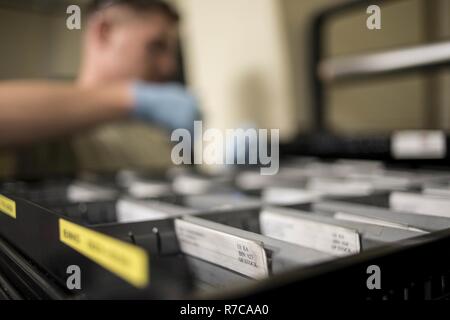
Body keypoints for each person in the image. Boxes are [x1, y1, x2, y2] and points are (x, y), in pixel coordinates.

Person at [0, 0, 200, 177]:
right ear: (104, 32)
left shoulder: (156, 130)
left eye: (171, 51)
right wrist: (129, 98)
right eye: (156, 46)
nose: (169, 66)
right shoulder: (49, 123)